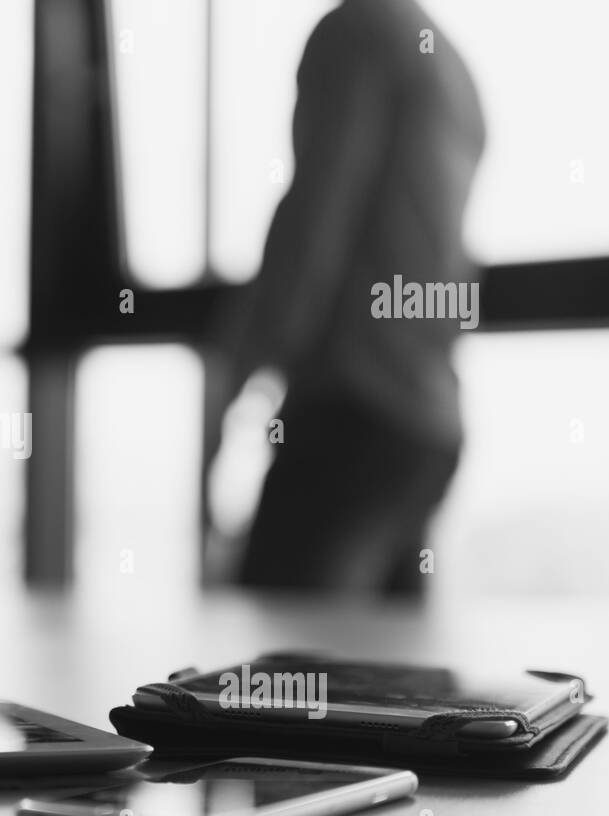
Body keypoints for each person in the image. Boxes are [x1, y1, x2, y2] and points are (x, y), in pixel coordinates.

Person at [207, 0, 486, 595]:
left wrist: (234, 375)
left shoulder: (355, 32)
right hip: (424, 422)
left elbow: (314, 223)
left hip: (350, 413)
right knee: (386, 677)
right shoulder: (449, 64)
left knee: (276, 672)